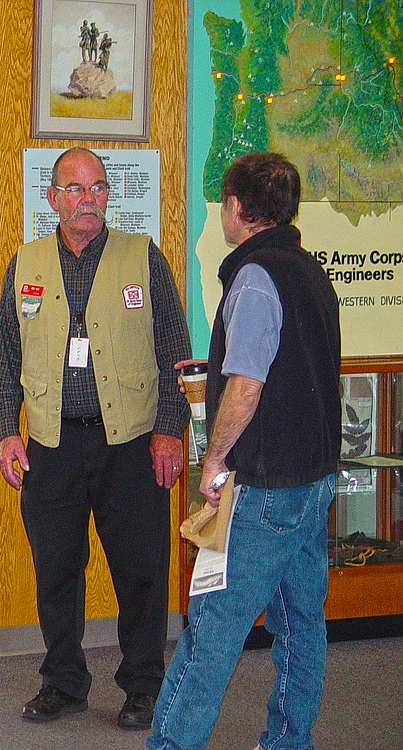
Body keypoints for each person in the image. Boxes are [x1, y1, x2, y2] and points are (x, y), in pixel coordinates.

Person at [0, 147, 191, 731]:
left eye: (98, 188)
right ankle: (63, 682)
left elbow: (176, 354)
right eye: (75, 189)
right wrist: (7, 432)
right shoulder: (24, 264)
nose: (88, 200)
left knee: (142, 571)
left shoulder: (142, 258)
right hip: (50, 445)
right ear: (51, 198)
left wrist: (169, 428)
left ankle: (144, 686)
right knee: (55, 570)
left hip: (130, 443)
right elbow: (4, 361)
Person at [147, 151, 341, 750]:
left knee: (211, 633)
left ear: (235, 208)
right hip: (315, 481)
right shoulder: (309, 270)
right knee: (302, 625)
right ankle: (288, 741)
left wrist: (213, 459)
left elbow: (248, 384)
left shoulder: (255, 277)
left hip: (264, 489)